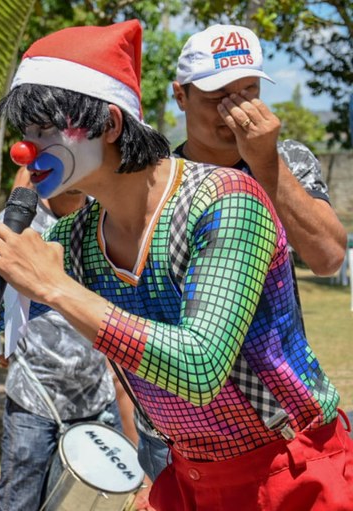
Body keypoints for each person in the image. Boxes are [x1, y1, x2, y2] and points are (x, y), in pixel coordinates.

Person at [0, 21, 353, 511]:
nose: (24, 150)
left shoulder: (226, 200)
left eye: (42, 131)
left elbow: (200, 368)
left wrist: (56, 288)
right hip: (190, 476)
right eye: (24, 132)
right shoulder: (82, 235)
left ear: (110, 124)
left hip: (291, 472)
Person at [134, 23, 350, 488]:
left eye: (249, 90)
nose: (237, 111)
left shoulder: (286, 159)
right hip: (177, 434)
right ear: (180, 95)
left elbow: (330, 256)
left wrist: (267, 163)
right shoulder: (154, 181)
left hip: (277, 426)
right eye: (218, 96)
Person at [0, 168, 121, 511]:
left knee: (80, 504)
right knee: (18, 501)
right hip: (34, 396)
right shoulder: (19, 221)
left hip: (95, 396)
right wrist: (1, 338)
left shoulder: (108, 217)